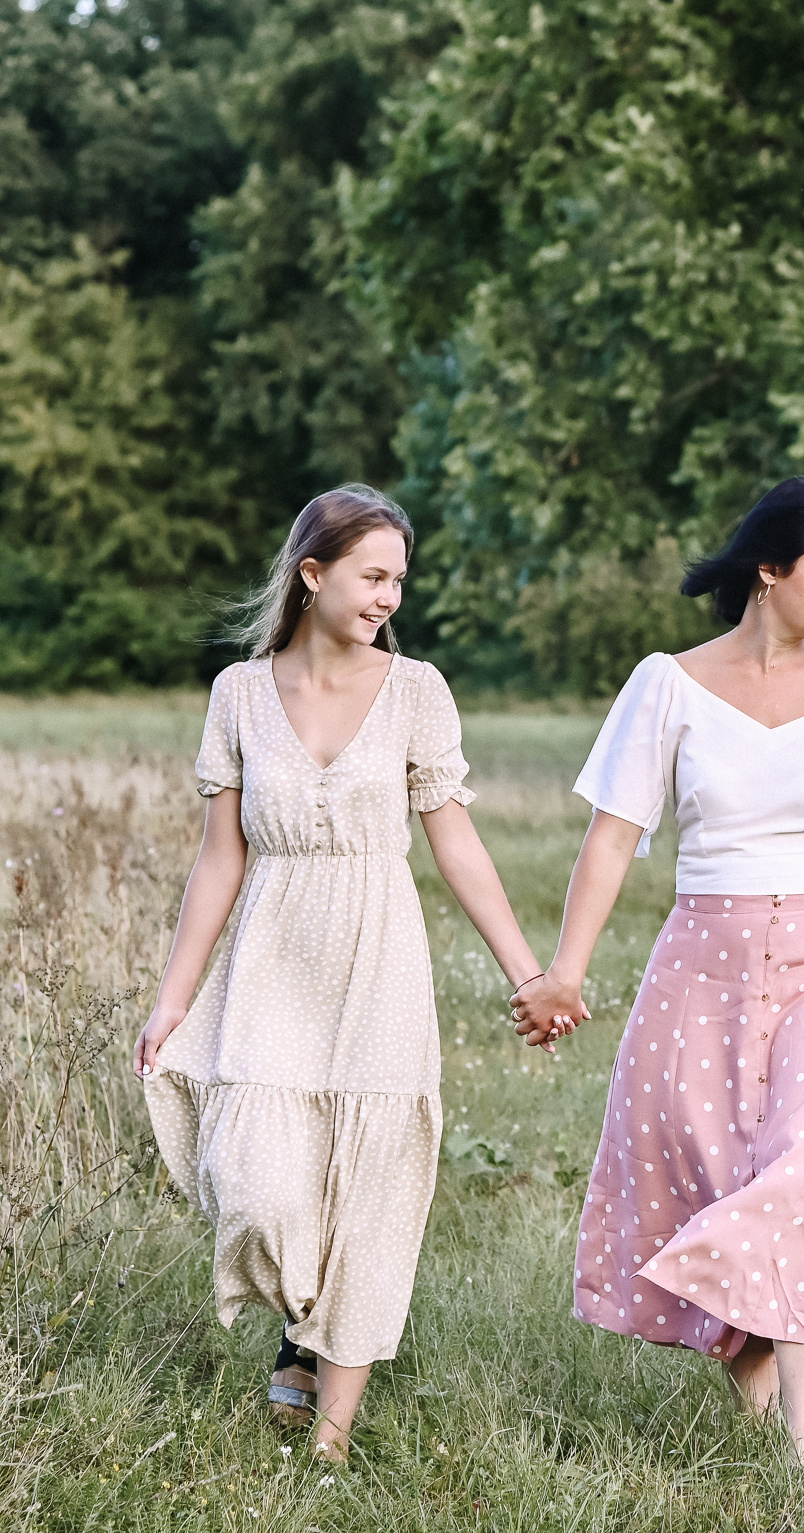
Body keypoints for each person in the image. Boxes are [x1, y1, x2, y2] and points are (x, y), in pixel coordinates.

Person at [509, 477, 804, 1475]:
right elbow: (613, 837)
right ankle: (763, 1411)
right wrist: (565, 971)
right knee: (706, 1172)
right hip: (700, 962)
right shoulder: (667, 684)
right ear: (770, 567)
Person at [133, 485, 547, 1465]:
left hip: (379, 957)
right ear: (312, 574)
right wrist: (173, 996)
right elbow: (220, 859)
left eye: (398, 579)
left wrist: (526, 971)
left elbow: (456, 843)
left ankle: (330, 1436)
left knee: (369, 1183)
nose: (388, 597)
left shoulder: (417, 691)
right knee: (259, 1184)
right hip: (273, 954)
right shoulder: (240, 692)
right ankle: (299, 1328)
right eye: (372, 575)